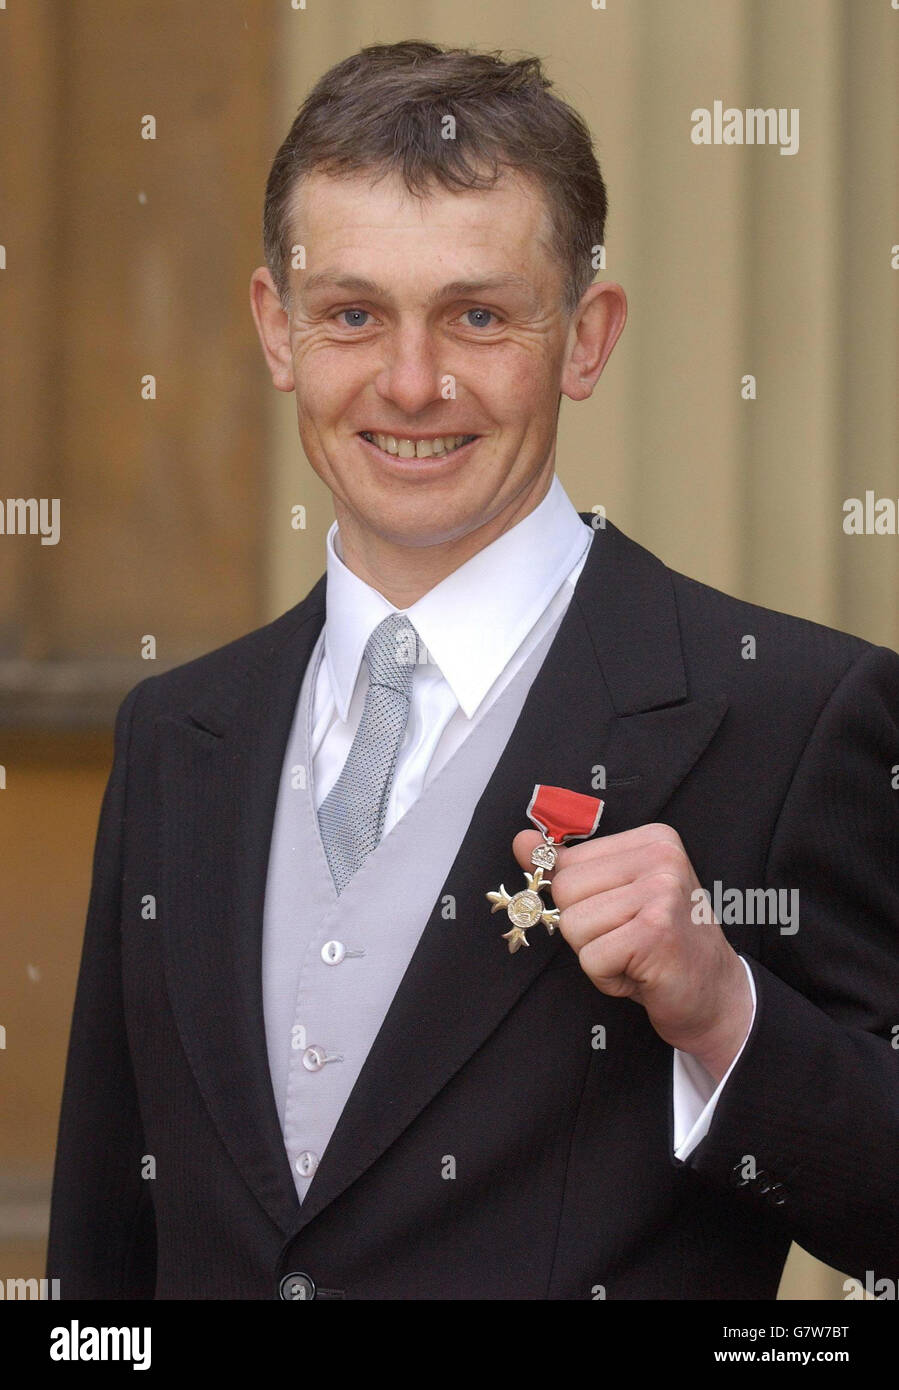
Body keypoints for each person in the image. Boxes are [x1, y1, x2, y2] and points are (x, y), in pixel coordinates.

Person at [47, 40, 899, 1300]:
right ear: (276, 331)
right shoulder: (178, 728)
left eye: (479, 316)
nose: (409, 382)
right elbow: (105, 1245)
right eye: (351, 314)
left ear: (586, 339)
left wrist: (724, 1012)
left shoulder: (791, 712)